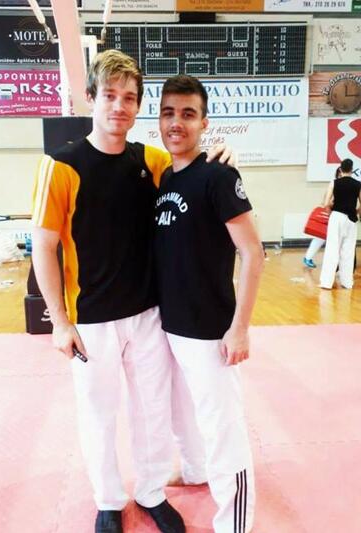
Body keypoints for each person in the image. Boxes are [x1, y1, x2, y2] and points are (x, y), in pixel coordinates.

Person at [31, 50, 235, 533]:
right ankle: (108, 499)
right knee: (98, 415)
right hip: (91, 321)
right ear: (91, 98)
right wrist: (60, 322)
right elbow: (43, 246)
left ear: (138, 106)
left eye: (129, 98)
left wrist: (223, 157)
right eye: (110, 95)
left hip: (147, 315)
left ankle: (150, 492)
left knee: (152, 412)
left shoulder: (152, 160)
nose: (119, 107)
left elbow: (193, 167)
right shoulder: (60, 165)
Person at [154, 75, 264, 532]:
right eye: (168, 113)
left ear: (204, 122)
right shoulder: (164, 177)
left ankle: (235, 522)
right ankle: (196, 470)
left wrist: (240, 327)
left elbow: (253, 253)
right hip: (170, 324)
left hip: (209, 329)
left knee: (223, 427)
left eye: (188, 114)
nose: (176, 123)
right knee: (183, 414)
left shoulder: (219, 176)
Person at [320, 158, 361, 289]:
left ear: (340, 169)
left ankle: (326, 282)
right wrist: (356, 211)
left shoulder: (334, 182)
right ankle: (347, 282)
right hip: (351, 220)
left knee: (332, 249)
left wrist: (330, 210)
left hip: (337, 217)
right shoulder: (358, 184)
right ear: (352, 169)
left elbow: (326, 203)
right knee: (348, 251)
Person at [303, 167, 340, 269]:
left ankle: (308, 257)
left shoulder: (336, 184)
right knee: (321, 237)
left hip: (333, 214)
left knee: (322, 238)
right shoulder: (334, 184)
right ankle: (308, 257)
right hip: (330, 214)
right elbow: (327, 202)